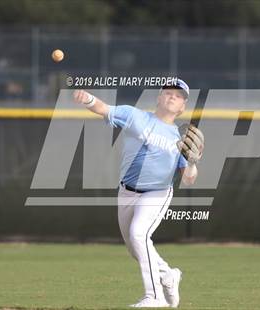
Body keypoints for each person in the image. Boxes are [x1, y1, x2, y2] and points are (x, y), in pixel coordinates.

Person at [73, 79, 203, 308]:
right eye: (168, 92)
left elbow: (189, 178)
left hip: (157, 193)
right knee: (136, 248)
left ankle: (155, 297)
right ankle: (168, 276)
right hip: (127, 191)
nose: (172, 96)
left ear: (182, 107)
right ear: (159, 98)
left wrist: (192, 163)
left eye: (178, 95)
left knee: (138, 234)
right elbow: (104, 108)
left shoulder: (180, 138)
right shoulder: (135, 117)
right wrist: (89, 99)